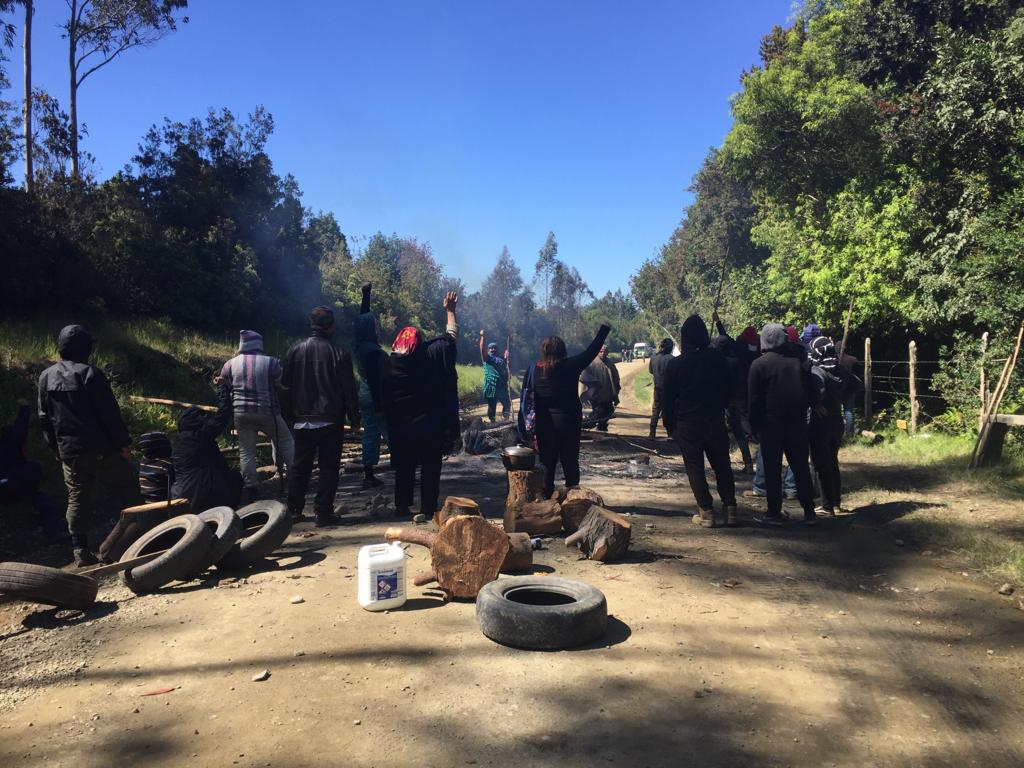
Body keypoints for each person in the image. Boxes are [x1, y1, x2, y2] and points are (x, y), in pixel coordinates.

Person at [38, 325, 140, 566]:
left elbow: (44, 417)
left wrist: (54, 448)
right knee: (128, 491)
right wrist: (123, 445)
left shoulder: (46, 376)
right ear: (85, 348)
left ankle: (80, 551)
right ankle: (139, 539)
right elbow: (109, 416)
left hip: (69, 452)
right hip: (102, 450)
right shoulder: (90, 374)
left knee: (77, 498)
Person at [382, 291, 460, 519]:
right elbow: (450, 337)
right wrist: (450, 311)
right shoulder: (431, 357)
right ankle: (427, 508)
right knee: (430, 467)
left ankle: (402, 506)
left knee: (404, 467)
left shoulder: (389, 366)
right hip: (429, 427)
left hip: (401, 428)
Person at [282, 306, 361, 527]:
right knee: (328, 468)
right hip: (330, 419)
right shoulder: (339, 353)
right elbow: (348, 390)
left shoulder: (294, 351)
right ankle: (323, 512)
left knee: (299, 466)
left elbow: (285, 388)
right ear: (330, 326)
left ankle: (293, 510)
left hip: (302, 420)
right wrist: (354, 419)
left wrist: (288, 416)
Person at [662, 315, 738, 527]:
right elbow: (729, 389)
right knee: (723, 465)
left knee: (695, 468)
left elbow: (667, 400)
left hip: (687, 424)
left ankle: (706, 512)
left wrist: (670, 426)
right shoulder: (717, 359)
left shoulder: (676, 365)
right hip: (714, 420)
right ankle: (731, 509)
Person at [747, 323, 819, 526]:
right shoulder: (797, 361)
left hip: (770, 424)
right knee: (800, 467)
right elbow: (810, 385)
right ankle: (809, 512)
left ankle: (774, 512)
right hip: (796, 422)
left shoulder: (759, 365)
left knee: (772, 468)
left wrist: (753, 428)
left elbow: (754, 400)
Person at [531, 324, 611, 499]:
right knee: (570, 459)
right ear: (563, 350)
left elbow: (527, 396)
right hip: (569, 422)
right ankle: (573, 498)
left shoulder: (533, 370)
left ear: (543, 351)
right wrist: (604, 329)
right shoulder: (571, 365)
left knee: (547, 461)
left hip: (544, 423)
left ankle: (546, 497)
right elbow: (591, 351)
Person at [220, 330, 293, 502]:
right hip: (267, 411)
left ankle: (251, 487)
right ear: (259, 344)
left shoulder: (230, 364)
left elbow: (224, 385)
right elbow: (280, 385)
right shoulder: (271, 363)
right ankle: (294, 475)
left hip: (241, 413)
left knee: (246, 450)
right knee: (285, 440)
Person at [808, 336, 859, 515]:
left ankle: (827, 505)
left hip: (820, 421)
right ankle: (836, 502)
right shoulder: (839, 369)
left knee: (820, 464)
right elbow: (856, 383)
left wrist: (816, 404)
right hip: (837, 420)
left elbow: (819, 389)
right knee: (832, 461)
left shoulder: (817, 370)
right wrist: (843, 398)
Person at [0, 401, 65, 540]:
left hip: (9, 484)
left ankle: (49, 527)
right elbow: (20, 429)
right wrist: (25, 407)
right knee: (40, 496)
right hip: (11, 484)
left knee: (38, 497)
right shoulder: (10, 446)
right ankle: (54, 531)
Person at [171, 383, 241, 512]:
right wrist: (223, 390)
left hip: (184, 498)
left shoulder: (177, 444)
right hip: (207, 495)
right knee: (236, 477)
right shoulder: (202, 435)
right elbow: (223, 414)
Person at [354, 283, 390, 489]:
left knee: (370, 434)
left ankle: (368, 474)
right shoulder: (374, 352)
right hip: (376, 396)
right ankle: (404, 466)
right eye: (375, 325)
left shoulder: (359, 344)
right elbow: (379, 379)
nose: (377, 327)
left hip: (364, 394)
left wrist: (366, 294)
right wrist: (381, 402)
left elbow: (362, 317)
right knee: (390, 431)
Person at [711, 313, 755, 473]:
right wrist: (718, 323)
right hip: (736, 399)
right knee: (738, 434)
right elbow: (726, 337)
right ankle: (748, 463)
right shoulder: (738, 357)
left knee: (718, 433)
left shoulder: (716, 362)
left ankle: (721, 465)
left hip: (721, 401)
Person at [582, 345, 620, 431]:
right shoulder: (591, 363)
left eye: (605, 352)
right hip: (596, 395)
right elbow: (584, 378)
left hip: (609, 394)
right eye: (601, 351)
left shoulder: (610, 363)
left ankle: (602, 427)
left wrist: (616, 393)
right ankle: (585, 425)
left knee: (609, 411)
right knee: (598, 413)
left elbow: (616, 378)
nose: (603, 353)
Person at [479, 332, 511, 423]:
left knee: (507, 404)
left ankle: (506, 420)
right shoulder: (487, 358)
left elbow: (507, 368)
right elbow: (482, 350)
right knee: (492, 406)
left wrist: (507, 358)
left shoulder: (501, 359)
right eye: (490, 348)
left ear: (497, 349)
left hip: (502, 386)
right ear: (488, 350)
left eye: (494, 348)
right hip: (491, 386)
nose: (493, 349)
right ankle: (492, 422)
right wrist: (482, 337)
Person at [648, 338, 674, 439]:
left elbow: (650, 371)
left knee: (655, 410)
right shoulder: (671, 359)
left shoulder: (654, 358)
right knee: (668, 411)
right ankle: (670, 434)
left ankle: (652, 433)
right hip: (668, 390)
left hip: (657, 388)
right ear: (671, 348)